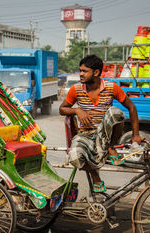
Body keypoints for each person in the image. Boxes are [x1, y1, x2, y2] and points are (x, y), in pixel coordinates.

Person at [59, 55, 141, 192]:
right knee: (74, 157)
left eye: (85, 71)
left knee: (116, 112)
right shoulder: (76, 89)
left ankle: (111, 148)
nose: (80, 74)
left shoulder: (111, 87)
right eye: (80, 70)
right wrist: (77, 110)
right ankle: (95, 176)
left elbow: (131, 107)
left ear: (96, 73)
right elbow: (62, 109)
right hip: (85, 135)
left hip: (105, 134)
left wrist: (136, 135)